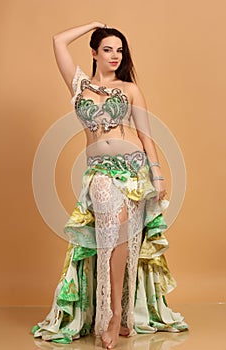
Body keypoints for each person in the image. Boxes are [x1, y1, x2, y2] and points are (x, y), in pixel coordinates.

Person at [31, 22, 188, 349]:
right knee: (111, 231)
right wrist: (94, 25)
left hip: (133, 170)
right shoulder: (79, 86)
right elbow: (58, 40)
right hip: (99, 172)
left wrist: (157, 174)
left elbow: (145, 133)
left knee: (125, 238)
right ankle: (109, 312)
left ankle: (120, 313)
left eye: (120, 50)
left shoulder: (130, 89)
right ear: (94, 53)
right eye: (107, 49)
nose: (115, 55)